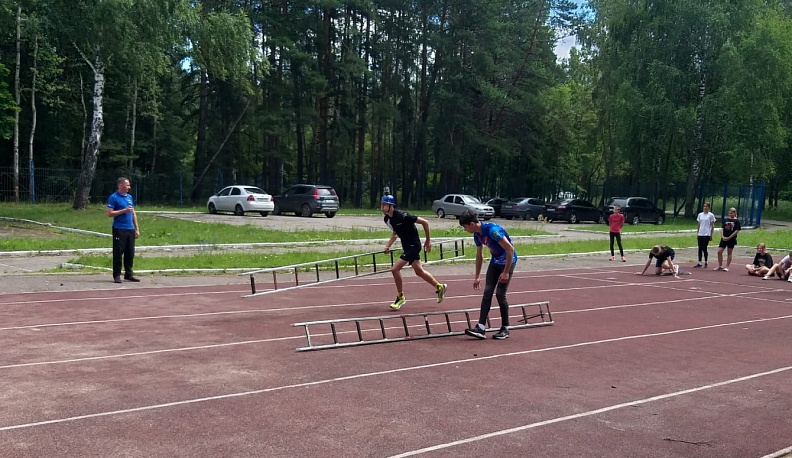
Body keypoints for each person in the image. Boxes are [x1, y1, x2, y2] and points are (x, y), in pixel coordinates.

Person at [381, 195, 447, 310]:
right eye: (381, 204)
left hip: (414, 246)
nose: (382, 207)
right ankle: (439, 286)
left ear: (391, 206)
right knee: (419, 271)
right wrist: (387, 246)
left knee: (394, 269)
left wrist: (428, 240)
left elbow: (425, 222)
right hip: (406, 247)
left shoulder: (404, 216)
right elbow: (395, 234)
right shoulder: (387, 219)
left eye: (384, 204)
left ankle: (400, 296)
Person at [458, 210, 516, 340]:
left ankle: (505, 327)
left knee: (500, 294)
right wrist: (477, 276)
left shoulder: (492, 231)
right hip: (495, 261)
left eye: (465, 227)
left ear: (472, 224)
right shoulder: (477, 235)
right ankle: (481, 327)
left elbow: (510, 249)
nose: (465, 229)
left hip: (508, 261)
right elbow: (479, 255)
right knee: (487, 292)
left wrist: (506, 272)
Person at [106, 177, 140, 283]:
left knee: (130, 252)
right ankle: (117, 274)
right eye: (127, 185)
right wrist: (124, 210)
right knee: (118, 252)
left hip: (130, 228)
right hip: (119, 228)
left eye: (129, 185)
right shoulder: (114, 197)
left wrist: (136, 228)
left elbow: (133, 213)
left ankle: (128, 274)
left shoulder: (129, 197)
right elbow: (109, 213)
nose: (129, 187)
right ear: (121, 185)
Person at [713, 207, 741, 271]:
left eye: (731, 213)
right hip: (724, 238)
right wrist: (722, 236)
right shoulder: (726, 220)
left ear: (734, 213)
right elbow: (722, 228)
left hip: (731, 239)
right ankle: (720, 265)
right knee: (719, 251)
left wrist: (729, 237)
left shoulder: (737, 221)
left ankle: (727, 266)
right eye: (729, 213)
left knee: (729, 252)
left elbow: (736, 230)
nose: (730, 215)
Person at [694, 202, 716, 268]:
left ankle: (706, 261)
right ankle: (699, 262)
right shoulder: (700, 215)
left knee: (704, 247)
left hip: (707, 233)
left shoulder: (711, 215)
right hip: (701, 233)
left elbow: (712, 226)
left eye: (706, 206)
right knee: (699, 248)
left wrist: (711, 234)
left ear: (709, 207)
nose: (705, 208)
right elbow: (699, 224)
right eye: (704, 206)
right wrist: (697, 233)